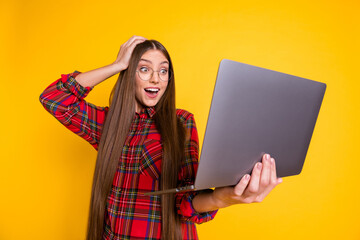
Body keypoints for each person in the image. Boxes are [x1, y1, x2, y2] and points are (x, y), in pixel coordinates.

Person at [39, 36, 282, 240]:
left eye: (163, 71)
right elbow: (54, 98)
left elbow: (187, 201)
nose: (156, 78)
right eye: (144, 69)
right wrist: (117, 65)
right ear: (129, 74)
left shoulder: (181, 122)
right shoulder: (107, 124)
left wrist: (223, 197)